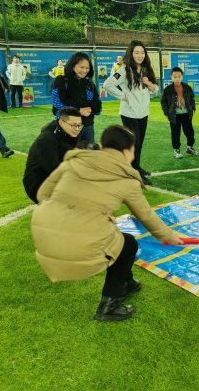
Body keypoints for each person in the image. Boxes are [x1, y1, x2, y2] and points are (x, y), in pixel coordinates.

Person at [31, 125, 183, 321]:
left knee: (119, 239)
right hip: (74, 247)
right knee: (128, 244)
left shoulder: (73, 162)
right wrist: (169, 237)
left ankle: (126, 282)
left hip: (43, 238)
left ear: (102, 146)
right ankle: (110, 304)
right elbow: (146, 216)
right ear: (127, 152)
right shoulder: (127, 180)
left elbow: (43, 194)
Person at [103, 40, 158, 185]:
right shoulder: (124, 70)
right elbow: (107, 84)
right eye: (136, 52)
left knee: (140, 143)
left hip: (143, 113)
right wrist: (123, 96)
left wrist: (149, 84)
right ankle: (133, 173)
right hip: (129, 114)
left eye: (142, 52)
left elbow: (156, 91)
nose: (140, 55)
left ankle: (136, 167)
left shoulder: (146, 69)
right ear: (131, 54)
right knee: (133, 143)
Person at [23, 107, 82, 203]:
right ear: (62, 122)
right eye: (74, 125)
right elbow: (53, 169)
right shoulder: (46, 139)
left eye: (79, 125)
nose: (77, 129)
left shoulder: (71, 134)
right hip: (38, 184)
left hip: (56, 177)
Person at [51, 52, 102, 143]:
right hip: (68, 127)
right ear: (73, 65)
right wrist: (78, 111)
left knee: (89, 151)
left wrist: (91, 109)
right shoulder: (61, 81)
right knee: (69, 151)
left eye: (87, 68)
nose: (84, 71)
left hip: (88, 126)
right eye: (81, 67)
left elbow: (97, 105)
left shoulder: (89, 84)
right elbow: (57, 103)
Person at [161, 66, 199, 159]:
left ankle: (189, 148)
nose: (177, 79)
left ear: (182, 77)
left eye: (179, 76)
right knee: (175, 133)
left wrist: (193, 108)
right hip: (174, 116)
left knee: (190, 132)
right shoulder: (168, 89)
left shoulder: (187, 87)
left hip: (186, 114)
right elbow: (163, 102)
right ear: (171, 77)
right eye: (175, 77)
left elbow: (192, 98)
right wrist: (167, 113)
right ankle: (176, 150)